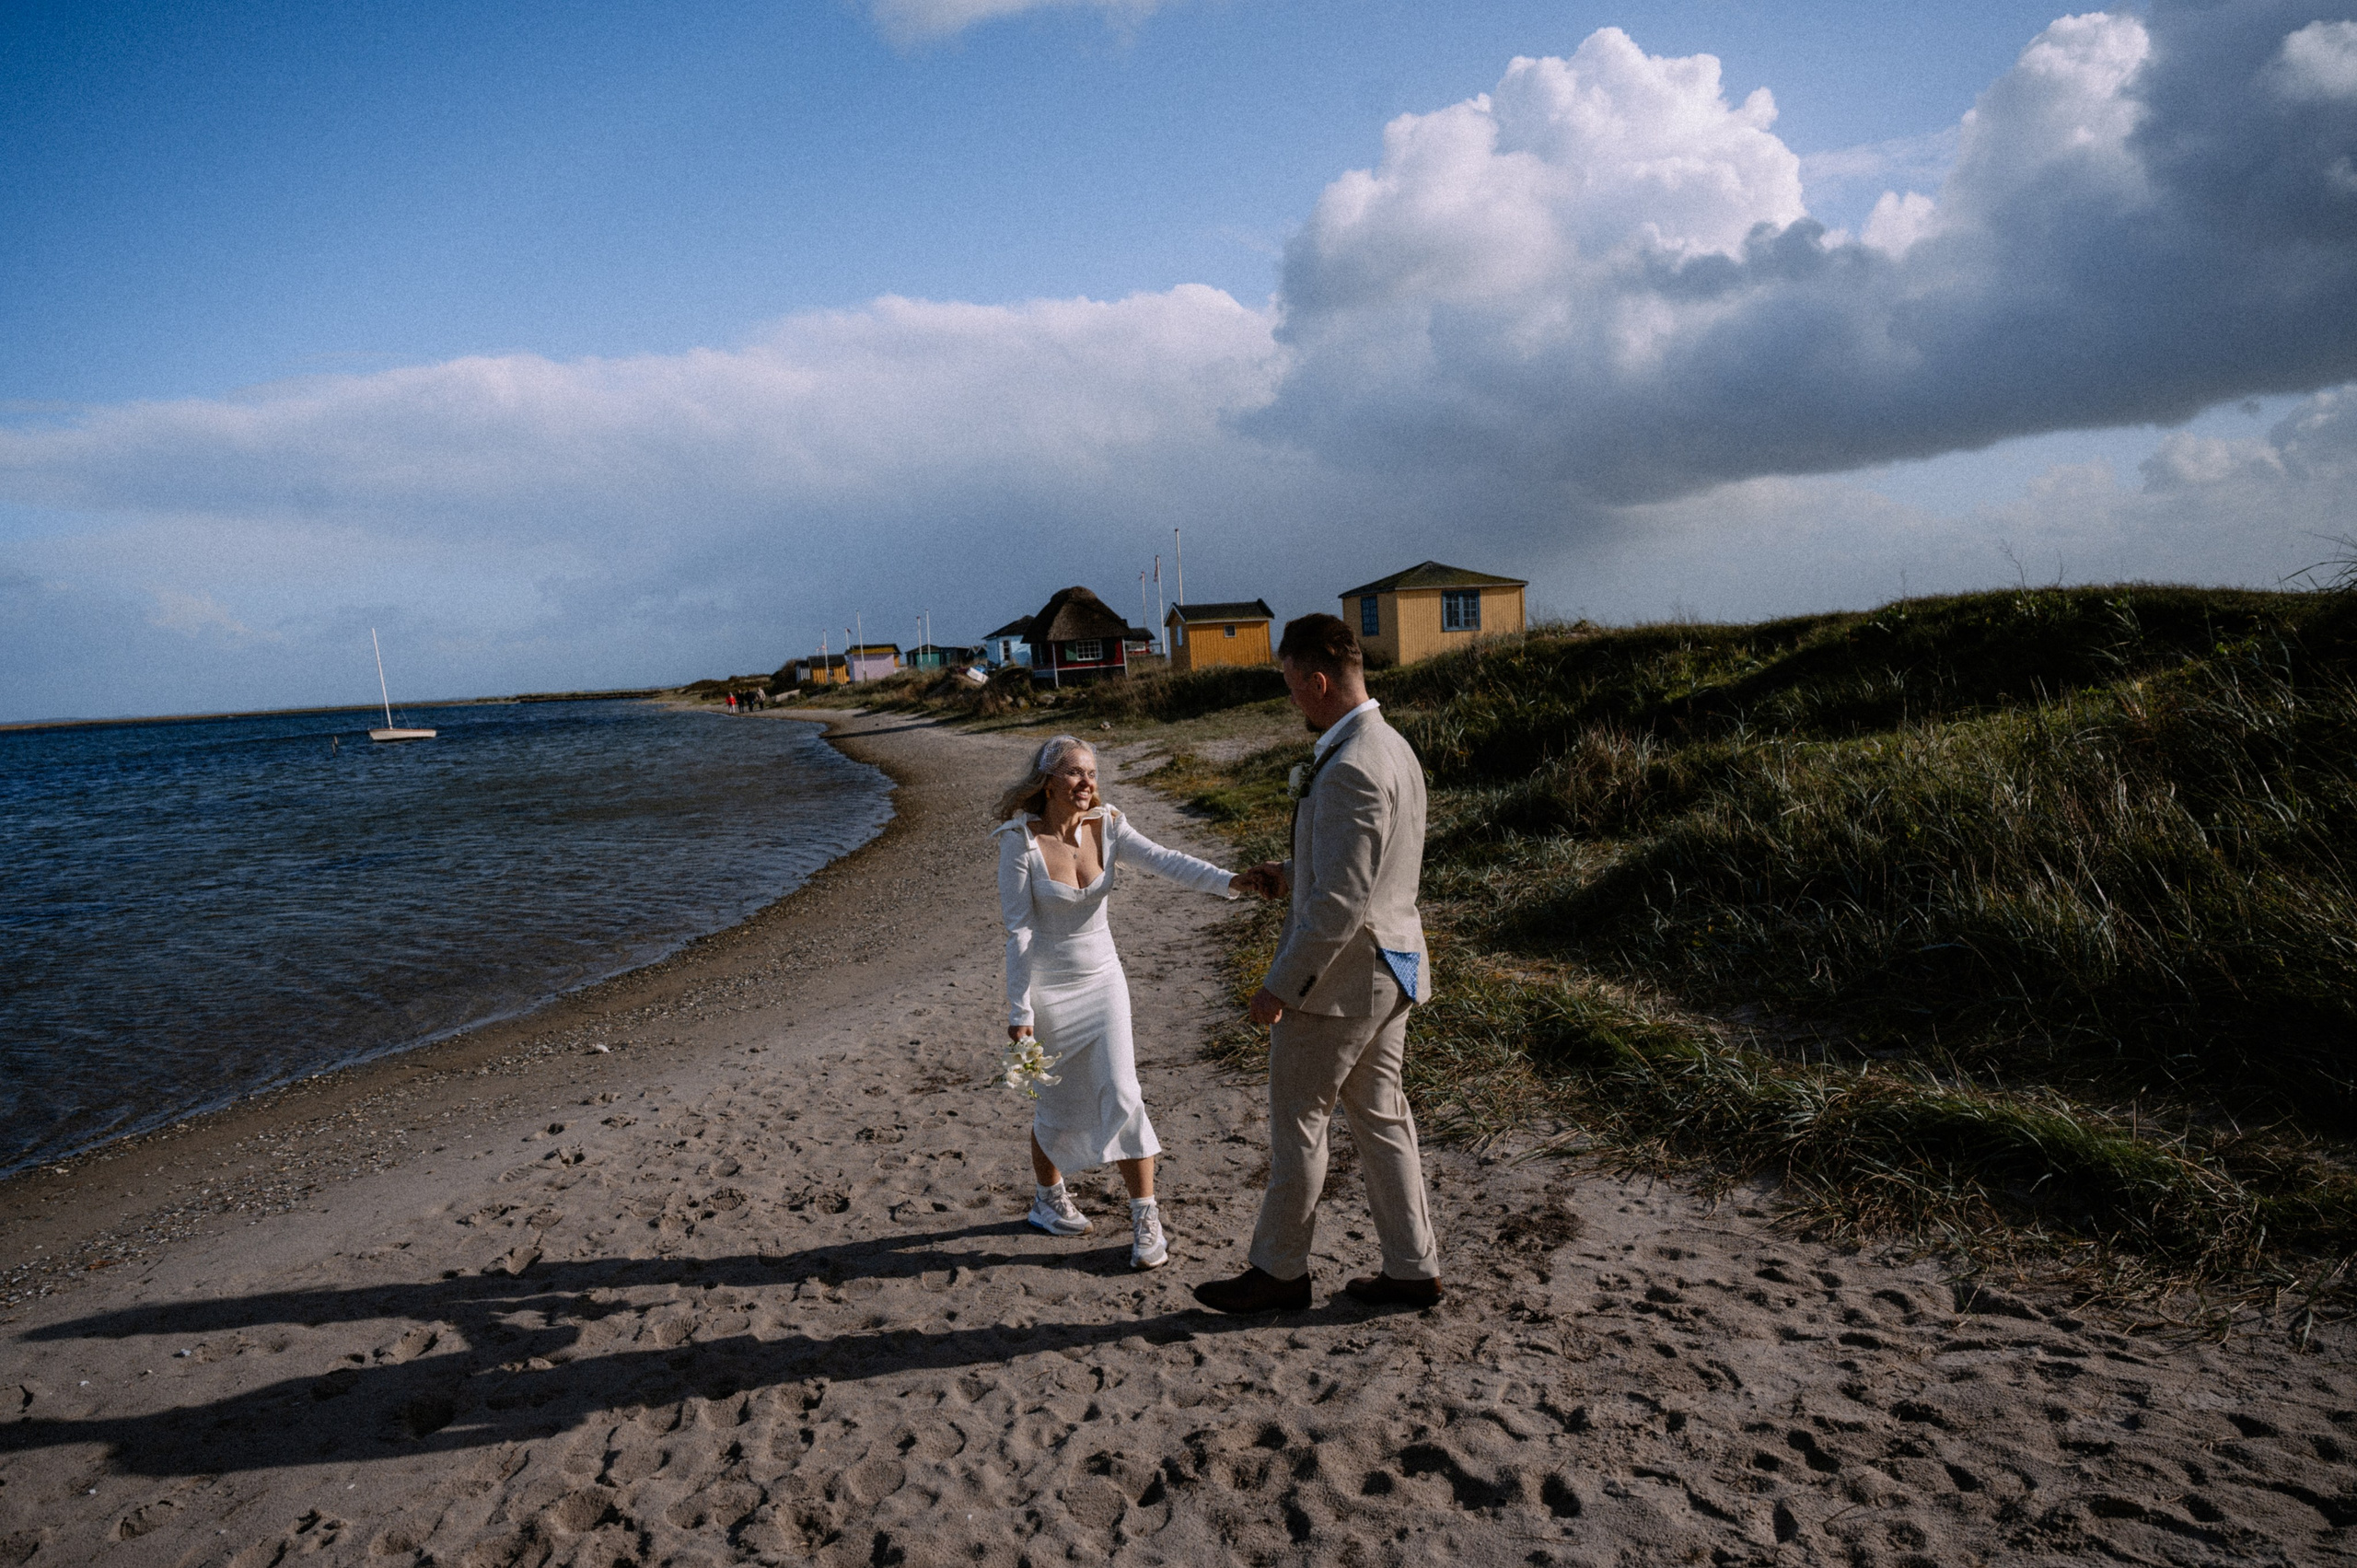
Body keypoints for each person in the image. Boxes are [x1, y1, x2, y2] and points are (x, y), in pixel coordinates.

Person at [1194, 613, 1443, 1313]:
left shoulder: (1355, 764)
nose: (1292, 698)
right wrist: (1290, 870)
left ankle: (1280, 1271)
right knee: (1382, 1118)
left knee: (1299, 1121)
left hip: (1339, 985)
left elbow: (1339, 904)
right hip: (1392, 968)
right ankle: (1411, 1266)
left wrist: (1280, 985)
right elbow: (1364, 870)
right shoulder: (1393, 747)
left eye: (1291, 685)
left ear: (1319, 681)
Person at [996, 735, 1263, 1269]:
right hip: (1050, 990)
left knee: (1123, 1092)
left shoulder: (1109, 824)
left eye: (1091, 774)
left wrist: (1231, 881)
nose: (1087, 783)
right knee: (1056, 1104)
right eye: (1075, 774)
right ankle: (1048, 1201)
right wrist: (1020, 1014)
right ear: (1048, 783)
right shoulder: (1018, 843)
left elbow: (1167, 861)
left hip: (1104, 982)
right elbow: (1019, 933)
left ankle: (1146, 1221)